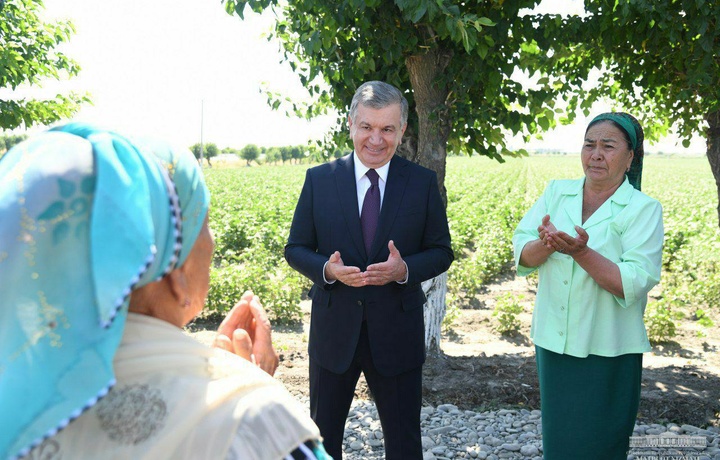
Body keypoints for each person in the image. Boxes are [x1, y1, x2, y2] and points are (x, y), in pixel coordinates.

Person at [0, 123, 330, 460]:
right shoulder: (251, 419)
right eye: (204, 223)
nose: (212, 241)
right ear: (175, 270)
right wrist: (240, 386)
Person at [285, 81, 454, 459]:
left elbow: (442, 252)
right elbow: (295, 249)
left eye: (387, 129)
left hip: (397, 334)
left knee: (404, 443)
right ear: (350, 125)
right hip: (333, 336)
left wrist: (404, 269)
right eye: (367, 127)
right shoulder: (319, 180)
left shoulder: (422, 183)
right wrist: (326, 271)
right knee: (322, 441)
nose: (376, 139)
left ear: (402, 130)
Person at [512, 112, 664, 459]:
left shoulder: (643, 209)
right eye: (589, 144)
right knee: (561, 438)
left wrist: (580, 252)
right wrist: (546, 244)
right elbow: (523, 250)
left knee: (601, 441)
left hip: (608, 344)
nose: (596, 154)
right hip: (555, 340)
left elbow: (635, 281)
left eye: (608, 146)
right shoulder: (557, 191)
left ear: (630, 158)